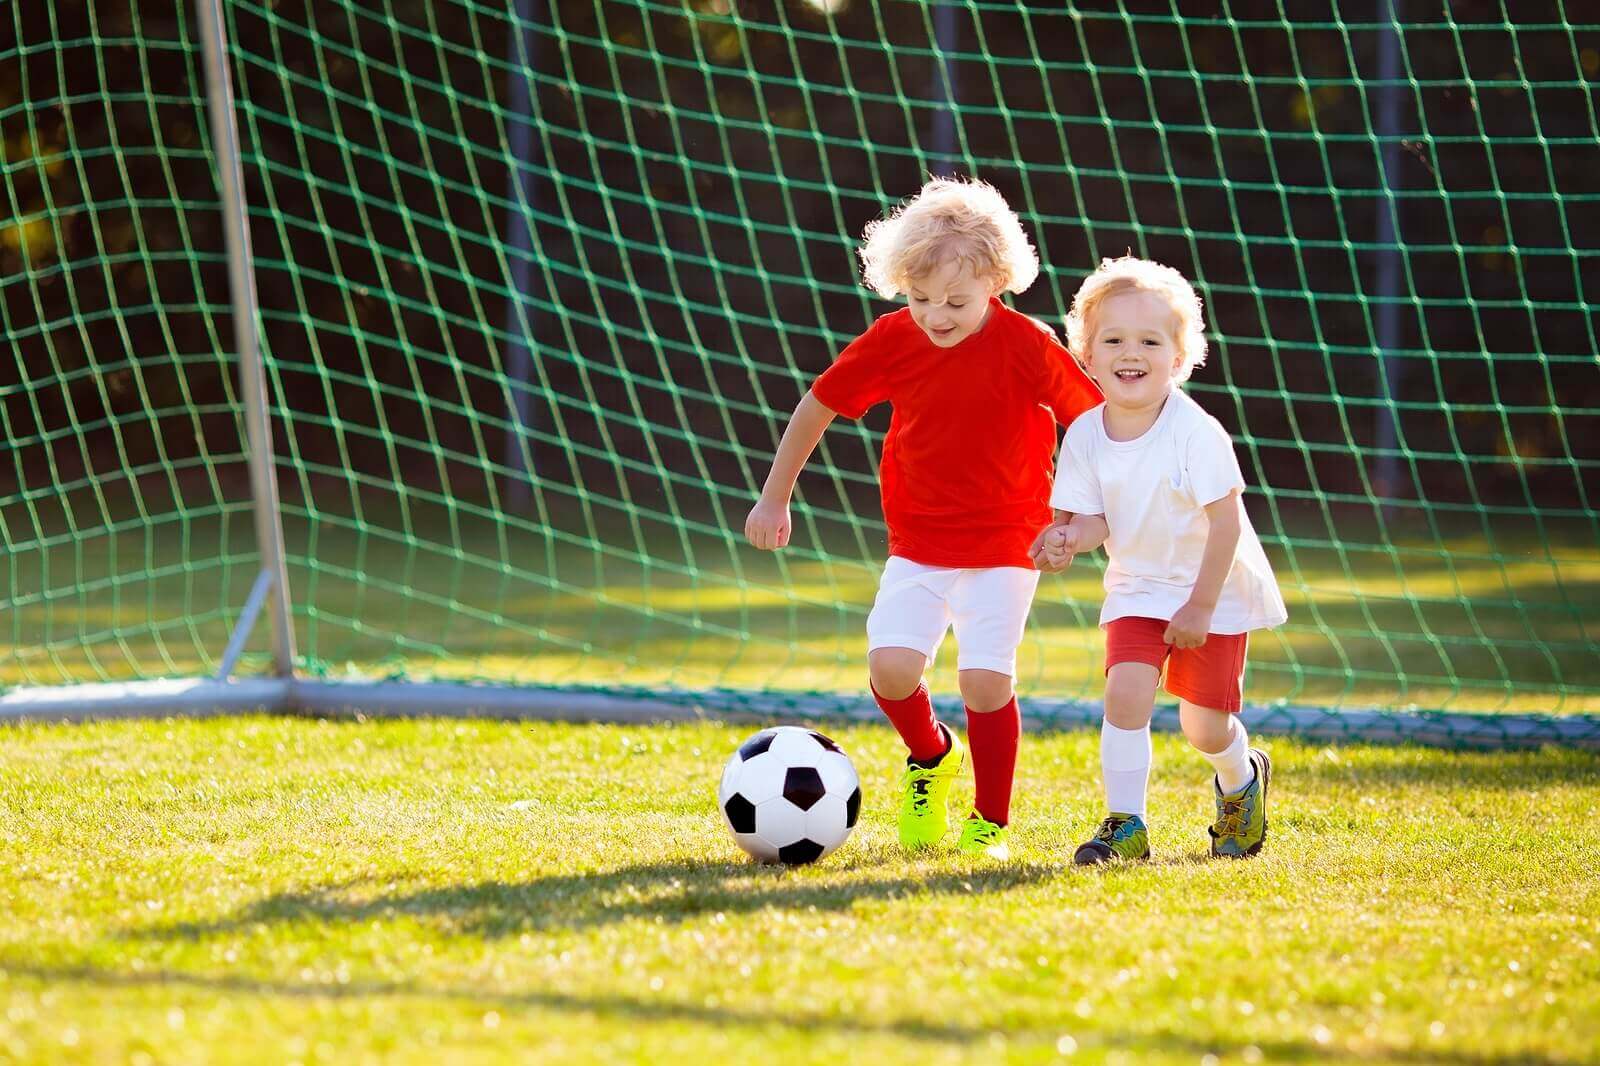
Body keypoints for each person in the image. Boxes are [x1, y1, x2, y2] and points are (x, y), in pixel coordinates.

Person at [744, 176, 1102, 860]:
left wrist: (1075, 516)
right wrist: (774, 495)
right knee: (892, 669)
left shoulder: (1027, 344)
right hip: (919, 541)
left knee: (985, 680)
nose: (937, 314)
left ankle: (989, 824)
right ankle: (931, 754)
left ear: (998, 281)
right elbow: (818, 404)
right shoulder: (893, 339)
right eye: (920, 298)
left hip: (1009, 539)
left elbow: (1089, 423)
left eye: (956, 301)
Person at [1039, 256, 1287, 863]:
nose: (1132, 352)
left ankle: (1241, 776)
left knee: (1203, 726)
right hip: (1138, 586)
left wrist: (1201, 605)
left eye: (1150, 340)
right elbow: (1097, 520)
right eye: (1114, 339)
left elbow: (1226, 524)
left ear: (1178, 358)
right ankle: (1127, 825)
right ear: (1088, 356)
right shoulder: (1086, 434)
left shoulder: (1195, 433)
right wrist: (1068, 539)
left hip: (1214, 588)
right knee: (1125, 693)